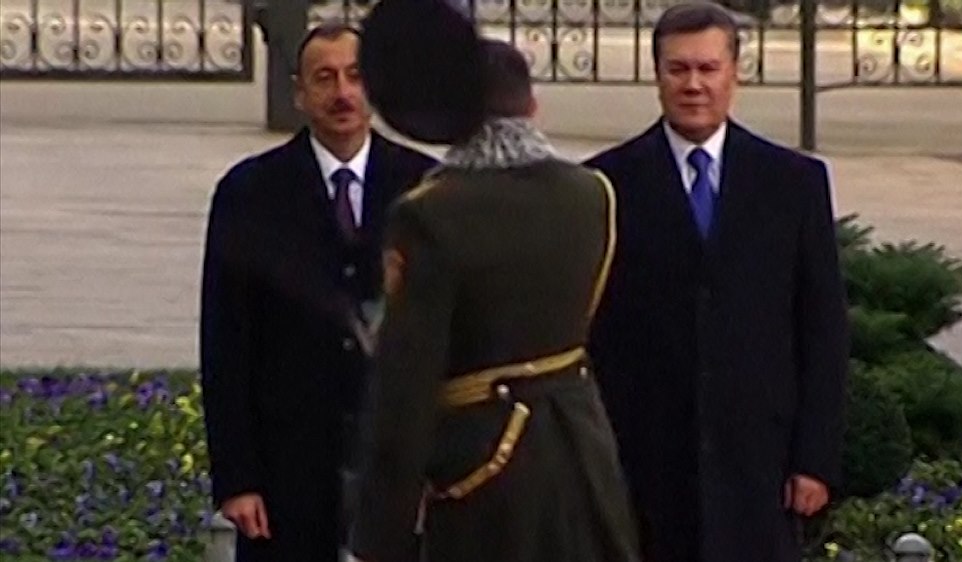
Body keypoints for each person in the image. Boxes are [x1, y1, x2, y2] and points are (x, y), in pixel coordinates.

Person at [345, 1, 642, 561]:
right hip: (583, 456)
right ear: (533, 106)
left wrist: (379, 535)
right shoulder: (592, 194)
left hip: (482, 472)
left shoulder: (430, 213)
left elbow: (406, 384)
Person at [584, 2, 850, 561]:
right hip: (647, 465)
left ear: (735, 73)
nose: (693, 85)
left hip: (760, 467)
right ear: (656, 74)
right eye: (678, 69)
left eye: (707, 68)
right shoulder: (606, 185)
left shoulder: (793, 183)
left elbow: (822, 328)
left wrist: (814, 459)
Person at [198, 20, 437, 562]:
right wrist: (237, 479)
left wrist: (440, 468)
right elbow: (226, 340)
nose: (342, 93)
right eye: (325, 78)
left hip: (395, 469)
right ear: (299, 93)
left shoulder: (425, 188)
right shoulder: (250, 192)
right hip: (288, 470)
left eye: (355, 75)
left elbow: (451, 338)